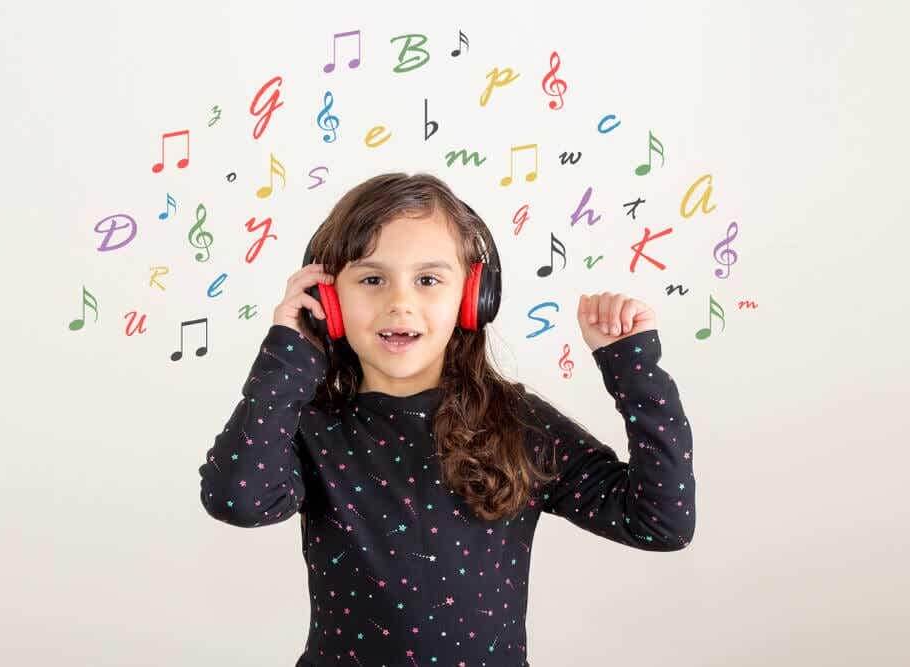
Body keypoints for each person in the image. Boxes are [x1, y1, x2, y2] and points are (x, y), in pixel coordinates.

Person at [198, 172, 695, 667]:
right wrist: (290, 352)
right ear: (328, 300)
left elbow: (661, 521)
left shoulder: (518, 424)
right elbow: (236, 498)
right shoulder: (311, 428)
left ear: (474, 296)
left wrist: (635, 371)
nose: (399, 302)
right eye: (372, 279)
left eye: (428, 279)